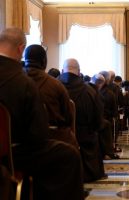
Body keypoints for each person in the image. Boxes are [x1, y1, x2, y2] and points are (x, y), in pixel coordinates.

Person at [0, 28, 84, 200]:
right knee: (69, 154)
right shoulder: (23, 82)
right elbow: (38, 134)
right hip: (13, 154)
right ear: (20, 49)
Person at [59, 58, 107, 182]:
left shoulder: (53, 87)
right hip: (85, 143)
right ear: (79, 72)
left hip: (58, 141)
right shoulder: (90, 91)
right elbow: (98, 121)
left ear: (62, 70)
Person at [23, 44, 78, 148]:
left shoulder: (14, 81)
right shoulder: (56, 85)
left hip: (17, 142)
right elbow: (67, 117)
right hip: (51, 141)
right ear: (44, 62)